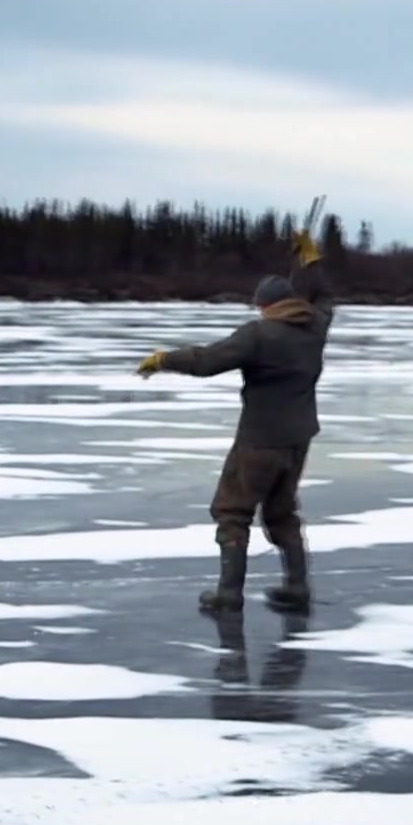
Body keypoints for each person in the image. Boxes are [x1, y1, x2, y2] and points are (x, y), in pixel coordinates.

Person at [135, 228, 333, 613]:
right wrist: (311, 259)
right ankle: (297, 587)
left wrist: (163, 359)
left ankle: (229, 594)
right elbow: (324, 298)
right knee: (281, 512)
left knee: (232, 511)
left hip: (259, 439)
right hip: (298, 439)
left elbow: (208, 361)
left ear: (265, 306)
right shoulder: (315, 328)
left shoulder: (259, 333)